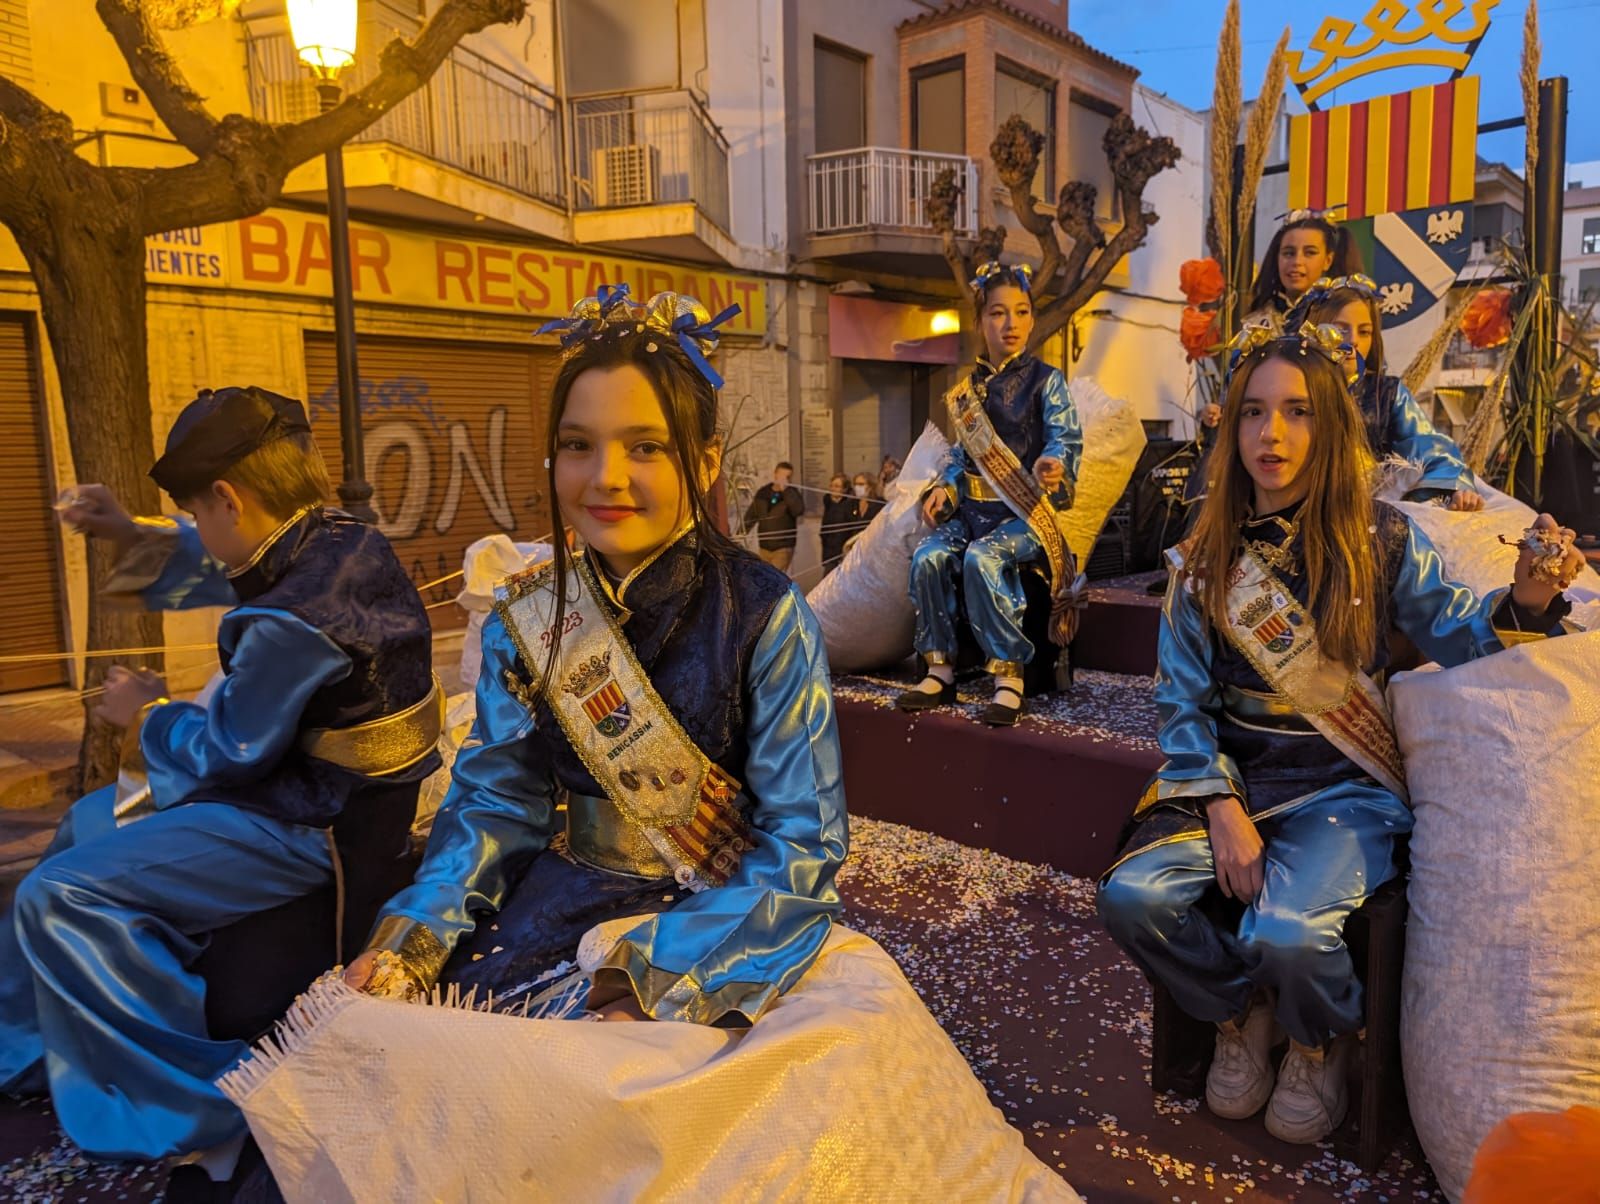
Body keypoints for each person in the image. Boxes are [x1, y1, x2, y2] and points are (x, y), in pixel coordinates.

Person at [1096, 325, 1584, 1145]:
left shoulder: (1383, 540)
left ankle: (1320, 1039)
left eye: (1295, 413)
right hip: (1232, 778)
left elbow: (1464, 638)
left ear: (1330, 425)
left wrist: (1528, 595)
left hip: (1343, 781)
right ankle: (1241, 1009)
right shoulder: (1202, 558)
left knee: (1289, 932)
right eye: (1252, 413)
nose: (1270, 435)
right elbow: (1181, 705)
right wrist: (1220, 805)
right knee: (1132, 898)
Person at [344, 285, 847, 1030]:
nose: (605, 476)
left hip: (721, 916)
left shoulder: (767, 615)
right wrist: (416, 935)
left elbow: (803, 840)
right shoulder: (529, 620)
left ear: (706, 462)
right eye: (579, 445)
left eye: (644, 446)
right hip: (560, 895)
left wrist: (659, 979)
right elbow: (494, 801)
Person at [0, 387, 440, 1179]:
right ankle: (29, 1050)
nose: (201, 531)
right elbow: (228, 555)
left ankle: (205, 1101)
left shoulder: (292, 618)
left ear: (230, 496)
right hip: (312, 795)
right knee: (90, 824)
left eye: (200, 511)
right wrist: (123, 531)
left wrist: (143, 715)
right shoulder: (339, 539)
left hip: (315, 827)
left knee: (57, 895)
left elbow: (225, 751)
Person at [898, 261, 1083, 726]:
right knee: (929, 555)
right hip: (974, 511)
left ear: (1032, 319)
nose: (1011, 324)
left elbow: (1065, 438)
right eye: (998, 313)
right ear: (980, 322)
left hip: (1024, 514)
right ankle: (940, 669)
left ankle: (1008, 676)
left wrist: (1054, 463)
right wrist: (945, 488)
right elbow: (963, 459)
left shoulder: (1047, 381)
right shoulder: (968, 391)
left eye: (1021, 312)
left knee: (983, 557)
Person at [1301, 274, 1484, 511]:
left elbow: (1429, 447)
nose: (1353, 340)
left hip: (1369, 514)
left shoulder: (1386, 394)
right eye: (1340, 329)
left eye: (1364, 332)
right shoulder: (1293, 388)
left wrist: (1452, 489)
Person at [1243, 208, 1363, 331]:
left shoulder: (1344, 315)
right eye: (1288, 253)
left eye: (1310, 253)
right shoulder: (1255, 323)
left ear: (1328, 260)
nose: (1297, 262)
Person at [743, 459, 804, 574]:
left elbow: (798, 510)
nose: (784, 479)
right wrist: (741, 532)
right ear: (775, 474)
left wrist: (785, 490)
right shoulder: (763, 492)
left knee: (773, 576)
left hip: (783, 547)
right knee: (765, 578)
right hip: (764, 547)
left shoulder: (792, 493)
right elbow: (752, 514)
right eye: (782, 475)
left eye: (787, 477)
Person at [820, 473, 855, 572]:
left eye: (837, 486)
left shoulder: (850, 505)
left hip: (843, 550)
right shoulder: (828, 502)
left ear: (844, 489)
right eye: (831, 486)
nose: (833, 489)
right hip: (829, 550)